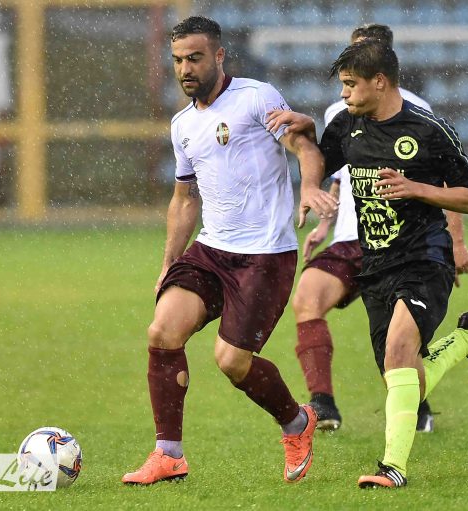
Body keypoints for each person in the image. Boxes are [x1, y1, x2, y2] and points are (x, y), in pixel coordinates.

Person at [268, 40, 468, 489]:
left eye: (350, 84)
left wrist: (416, 189)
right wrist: (308, 137)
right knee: (405, 377)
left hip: (424, 258)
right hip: (374, 265)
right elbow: (319, 159)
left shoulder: (430, 130)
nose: (344, 94)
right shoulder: (347, 124)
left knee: (398, 353)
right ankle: (467, 340)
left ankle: (392, 468)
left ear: (379, 81)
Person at [121, 16, 338, 486]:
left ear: (219, 56)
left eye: (195, 58)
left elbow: (304, 146)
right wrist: (168, 263)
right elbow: (184, 199)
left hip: (265, 254)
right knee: (162, 332)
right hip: (211, 250)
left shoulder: (257, 98)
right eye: (178, 60)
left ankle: (296, 422)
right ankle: (169, 454)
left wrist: (309, 187)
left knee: (231, 361)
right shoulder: (182, 125)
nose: (185, 69)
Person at [290, 24, 468, 434]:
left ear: (381, 73)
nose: (344, 89)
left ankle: (408, 427)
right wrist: (323, 215)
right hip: (356, 241)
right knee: (308, 300)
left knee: (399, 352)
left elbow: (458, 188)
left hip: (413, 248)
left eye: (353, 76)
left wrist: (457, 242)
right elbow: (338, 170)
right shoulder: (343, 115)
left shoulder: (421, 118)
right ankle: (324, 403)